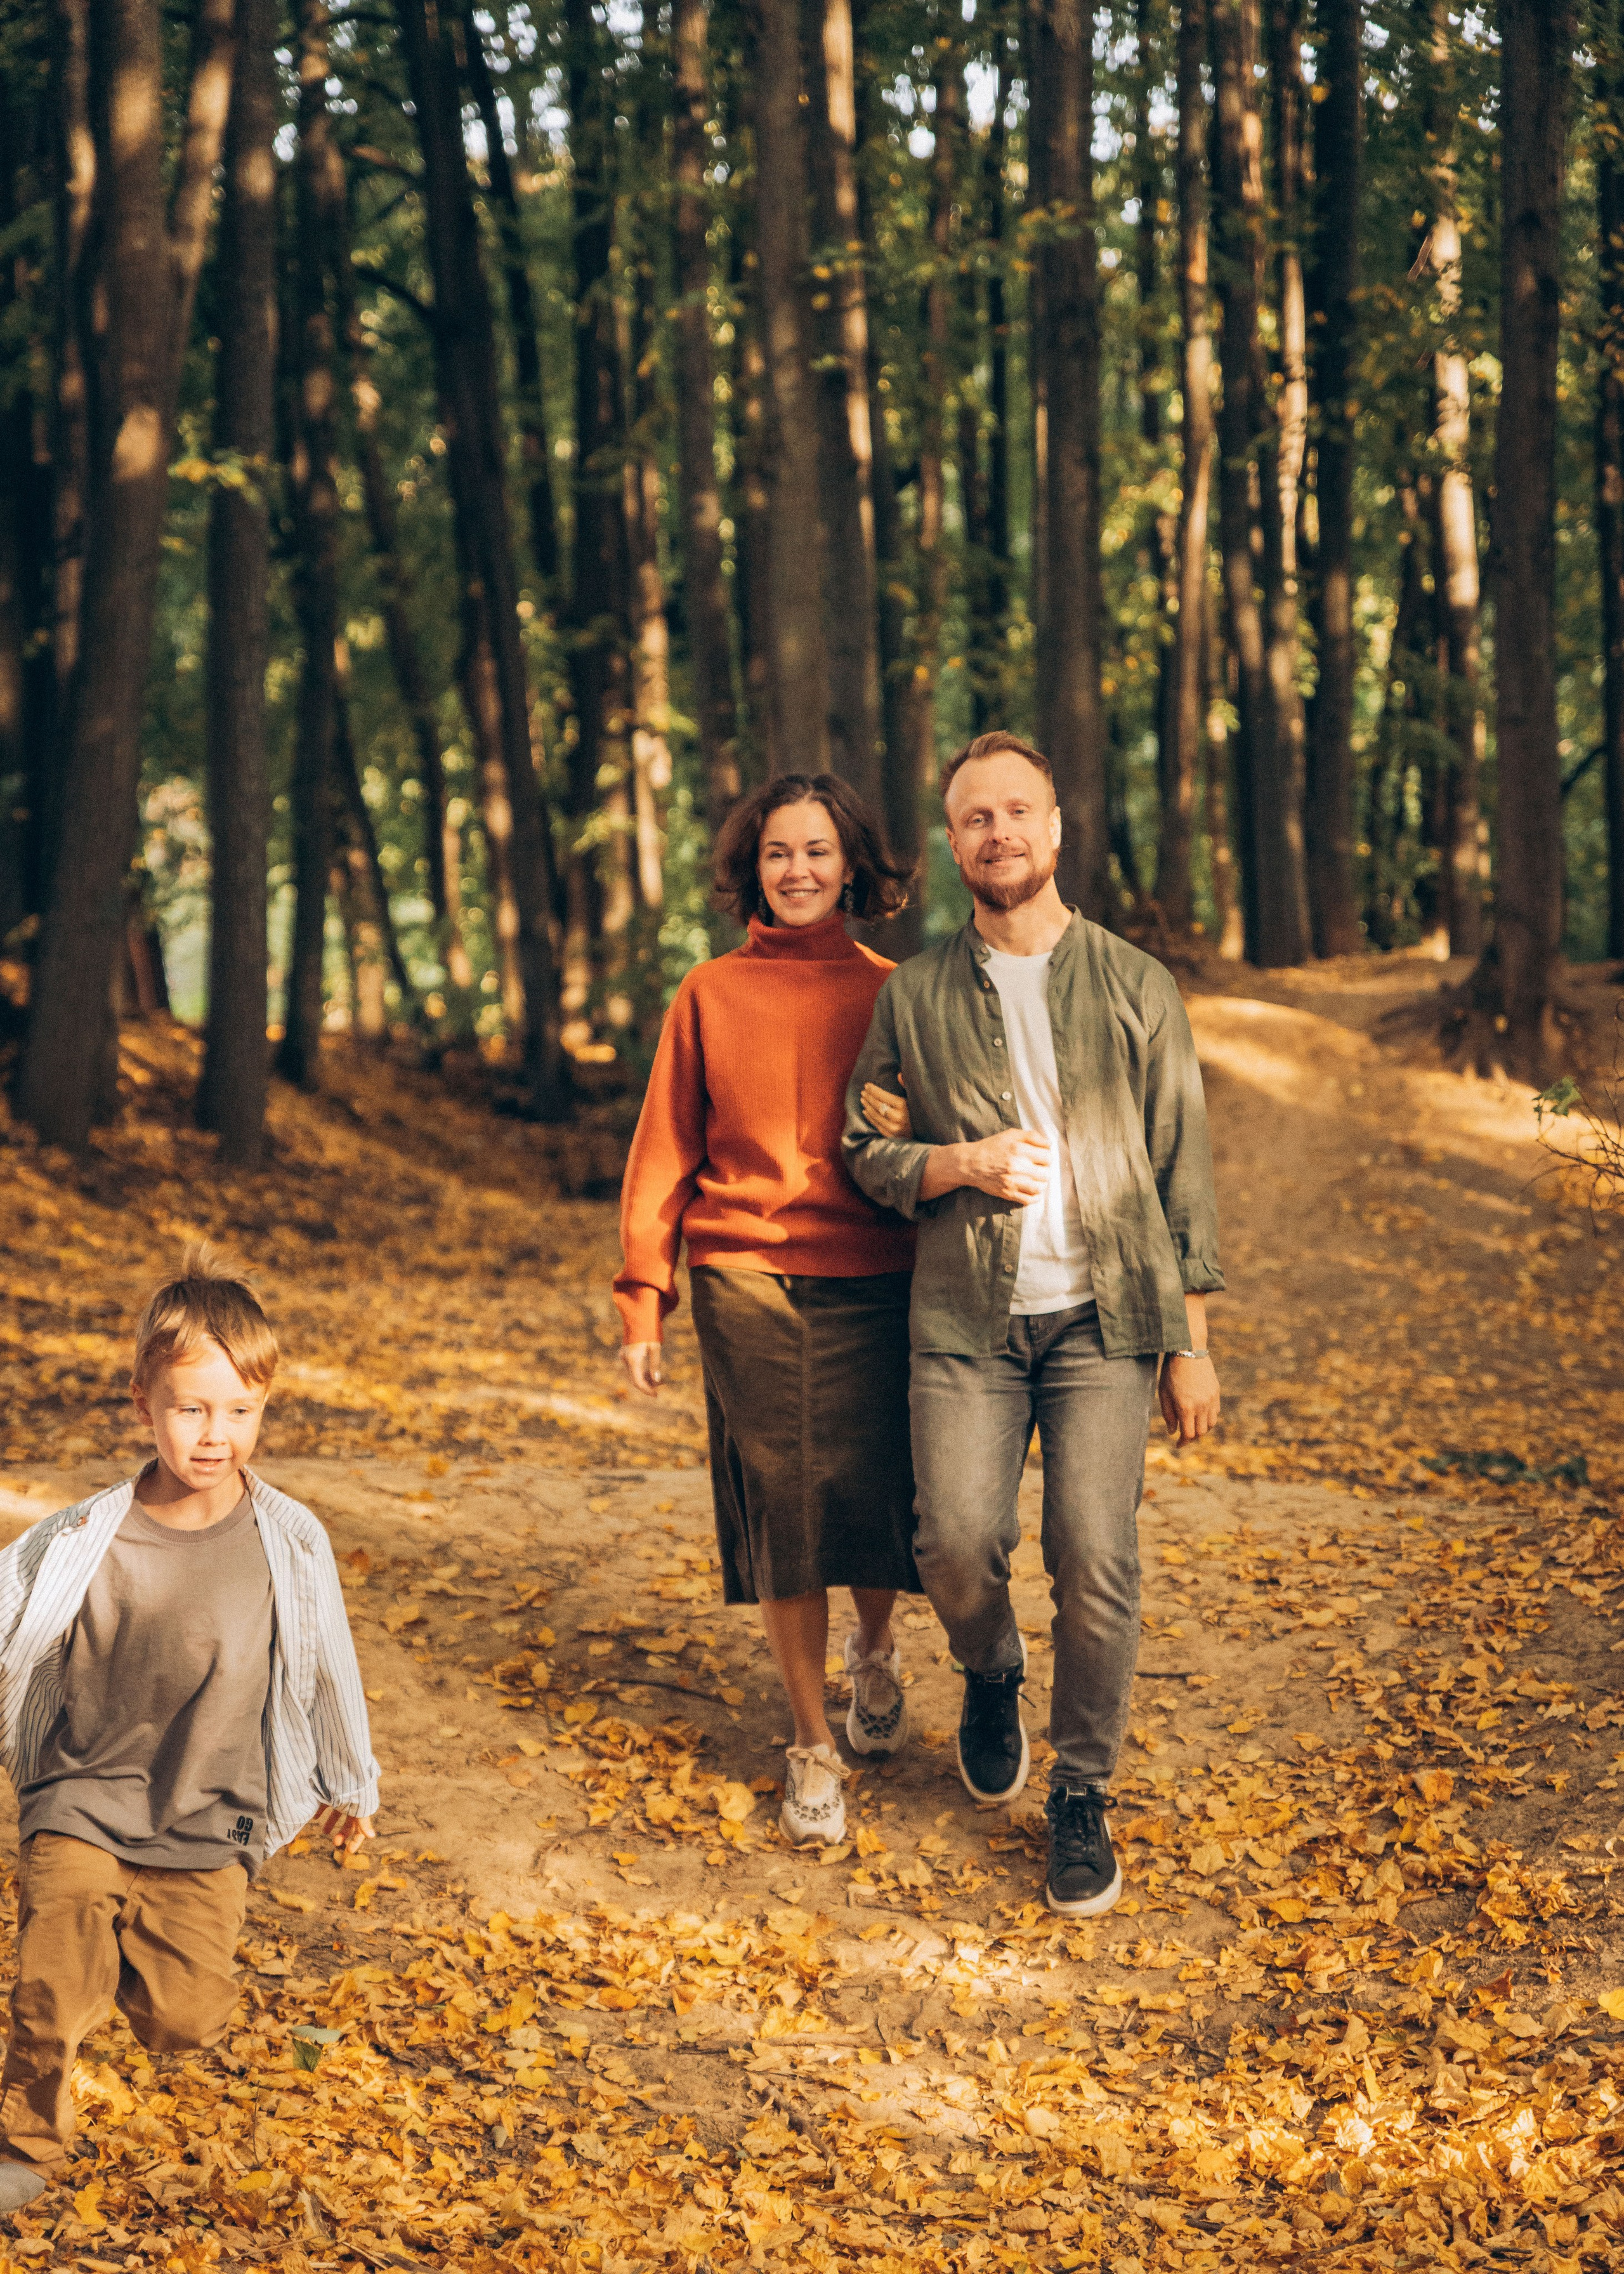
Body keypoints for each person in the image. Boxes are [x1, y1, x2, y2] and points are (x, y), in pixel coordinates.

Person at [844, 730, 1224, 1920]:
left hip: (1106, 1321)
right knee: (953, 1543)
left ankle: (1080, 1794)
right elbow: (863, 1148)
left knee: (1095, 1556)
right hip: (966, 1319)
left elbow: (1183, 1170)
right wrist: (957, 1162)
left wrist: (1191, 1344)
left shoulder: (1136, 983)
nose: (999, 832)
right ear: (954, 844)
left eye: (1019, 811)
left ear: (1056, 829)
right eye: (977, 817)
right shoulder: (912, 995)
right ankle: (991, 1667)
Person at [0, 1253, 377, 2209]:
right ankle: (25, 2148)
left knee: (184, 2020)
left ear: (264, 1407)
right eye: (192, 1410)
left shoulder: (290, 1537)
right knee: (49, 1993)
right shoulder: (81, 1536)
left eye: (240, 1411)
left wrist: (351, 1784)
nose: (216, 1435)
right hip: (82, 1794)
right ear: (144, 1404)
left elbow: (328, 1661)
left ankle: (126, 1955)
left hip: (211, 1814)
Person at [617, 775, 919, 1848]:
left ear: (851, 866)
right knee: (784, 1502)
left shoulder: (896, 992)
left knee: (873, 1492)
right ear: (753, 867)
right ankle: (810, 1743)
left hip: (877, 1273)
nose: (798, 870)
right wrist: (644, 1298)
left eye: (818, 850)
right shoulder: (708, 993)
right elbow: (664, 1149)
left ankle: (873, 1651)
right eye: (778, 852)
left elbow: (943, 1131)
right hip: (743, 1273)